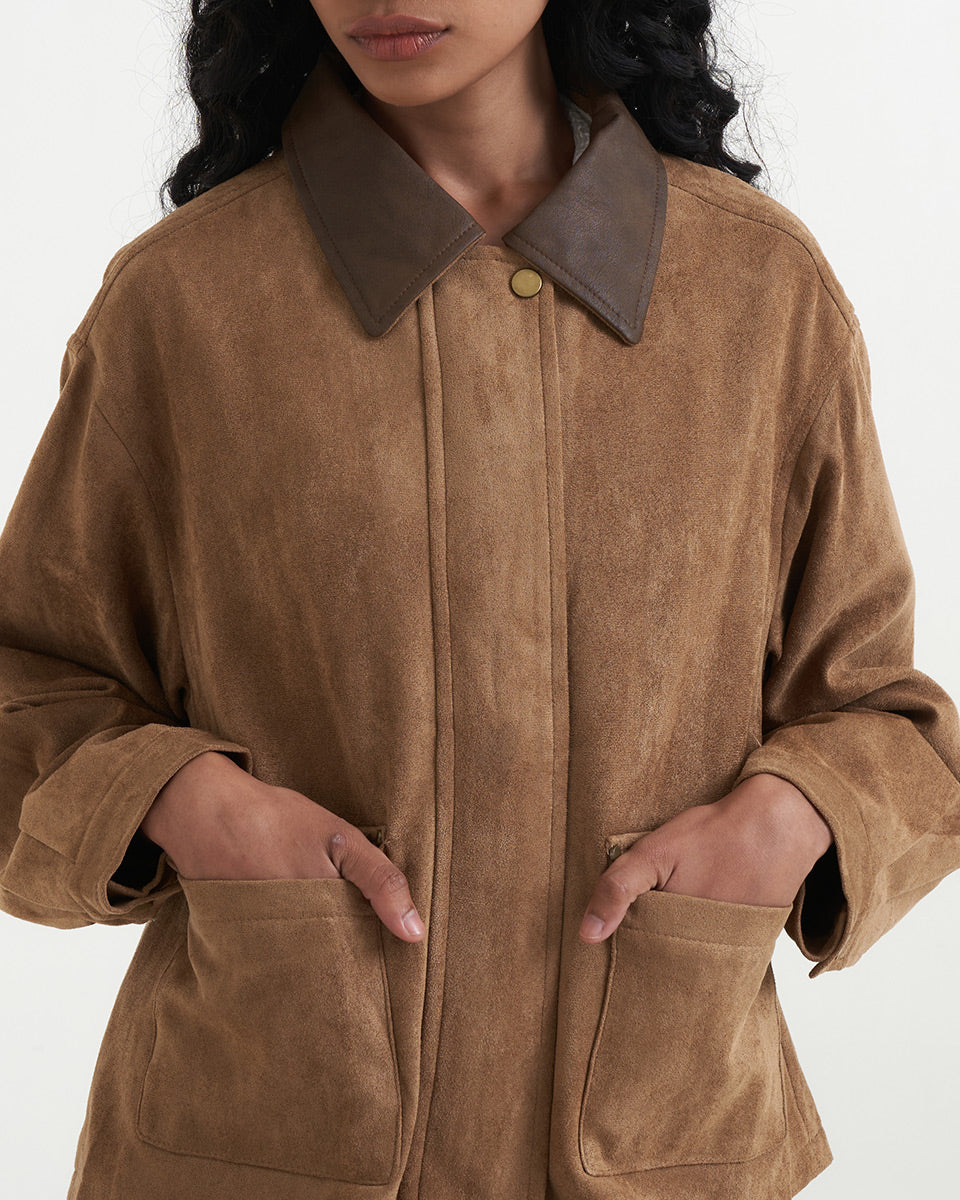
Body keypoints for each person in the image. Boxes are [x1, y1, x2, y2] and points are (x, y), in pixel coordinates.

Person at [1, 2, 958, 1197]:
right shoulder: (186, 302)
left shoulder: (758, 293)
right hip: (259, 1142)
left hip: (663, 1146)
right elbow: (27, 689)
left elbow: (882, 717)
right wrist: (182, 800)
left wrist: (792, 817)